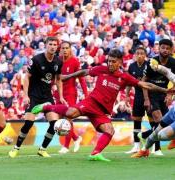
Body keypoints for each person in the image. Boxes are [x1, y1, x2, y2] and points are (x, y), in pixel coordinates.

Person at [31, 49, 170, 162]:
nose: (110, 64)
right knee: (69, 114)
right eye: (109, 61)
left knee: (110, 131)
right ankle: (46, 107)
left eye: (113, 61)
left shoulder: (124, 77)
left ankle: (95, 153)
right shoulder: (102, 69)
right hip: (91, 102)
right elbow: (85, 72)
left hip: (101, 111)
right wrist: (68, 76)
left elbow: (145, 84)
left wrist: (165, 90)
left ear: (120, 62)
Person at [8, 36, 67, 158]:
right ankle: (16, 148)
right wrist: (25, 95)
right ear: (46, 45)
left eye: (55, 45)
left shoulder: (58, 62)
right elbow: (26, 77)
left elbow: (59, 80)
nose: (52, 47)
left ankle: (42, 149)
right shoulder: (36, 59)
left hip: (47, 96)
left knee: (54, 124)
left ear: (57, 47)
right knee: (28, 124)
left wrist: (61, 96)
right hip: (33, 95)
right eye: (50, 44)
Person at [137, 39, 175, 155]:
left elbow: (173, 78)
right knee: (158, 119)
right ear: (159, 49)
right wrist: (146, 99)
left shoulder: (173, 62)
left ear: (171, 50)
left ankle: (145, 136)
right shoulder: (151, 62)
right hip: (152, 93)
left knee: (162, 125)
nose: (165, 50)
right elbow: (144, 81)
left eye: (167, 48)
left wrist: (169, 94)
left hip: (164, 94)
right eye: (163, 48)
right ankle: (155, 149)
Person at [132, 62, 175, 158]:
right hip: (173, 112)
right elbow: (168, 73)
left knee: (161, 135)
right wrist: (157, 67)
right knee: (156, 132)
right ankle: (144, 150)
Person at [57, 41, 88, 154]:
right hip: (59, 93)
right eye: (63, 48)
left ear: (70, 49)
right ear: (60, 49)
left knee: (67, 119)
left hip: (70, 93)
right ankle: (76, 138)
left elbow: (81, 78)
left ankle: (66, 146)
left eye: (67, 48)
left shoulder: (74, 61)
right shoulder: (57, 60)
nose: (64, 50)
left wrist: (86, 94)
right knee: (60, 119)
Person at [125, 46, 153, 154]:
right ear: (135, 55)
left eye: (142, 53)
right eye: (138, 53)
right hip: (137, 96)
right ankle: (136, 146)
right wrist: (127, 95)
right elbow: (128, 82)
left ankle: (156, 147)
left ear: (145, 55)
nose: (140, 55)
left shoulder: (149, 65)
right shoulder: (131, 66)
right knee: (136, 120)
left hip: (150, 96)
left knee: (153, 121)